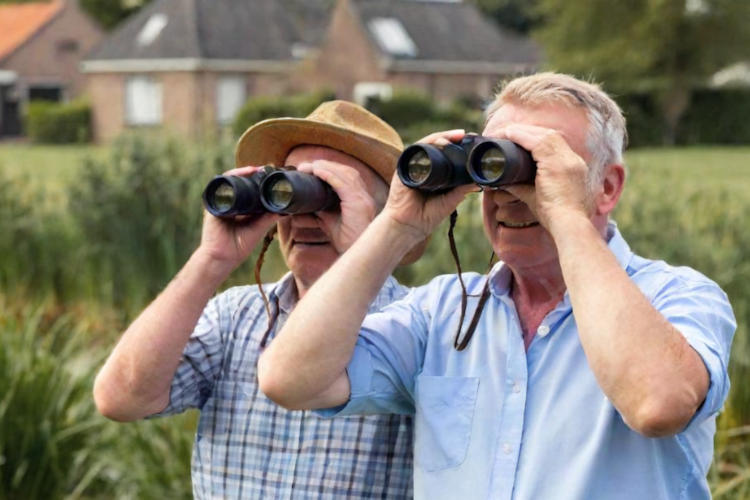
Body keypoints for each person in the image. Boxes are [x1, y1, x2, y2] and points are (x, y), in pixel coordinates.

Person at [258, 73, 737, 499]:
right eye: (494, 166)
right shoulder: (444, 311)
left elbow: (657, 404)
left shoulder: (678, 296)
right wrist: (398, 224)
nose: (510, 193)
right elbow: (290, 380)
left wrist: (564, 213)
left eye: (534, 167)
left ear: (607, 187)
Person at [93, 101, 418, 498]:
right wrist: (212, 259)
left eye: (330, 197)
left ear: (385, 214)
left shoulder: (415, 327)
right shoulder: (236, 316)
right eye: (289, 190)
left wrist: (365, 250)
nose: (304, 215)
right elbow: (121, 398)